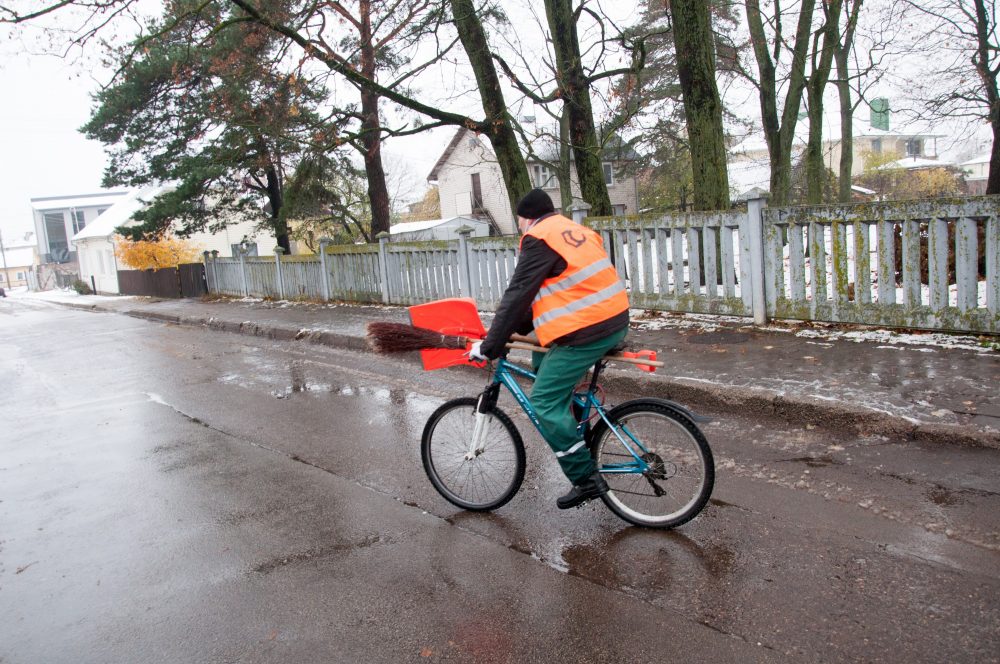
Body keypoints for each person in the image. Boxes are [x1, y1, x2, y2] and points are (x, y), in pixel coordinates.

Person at [469, 188, 630, 509]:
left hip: (588, 330)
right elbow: (548, 293)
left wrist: (490, 345)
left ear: (526, 217)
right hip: (613, 319)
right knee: (541, 362)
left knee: (542, 400)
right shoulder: (574, 231)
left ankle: (585, 479)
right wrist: (507, 334)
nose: (519, 226)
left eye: (518, 220)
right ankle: (576, 430)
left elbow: (518, 293)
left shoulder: (538, 237)